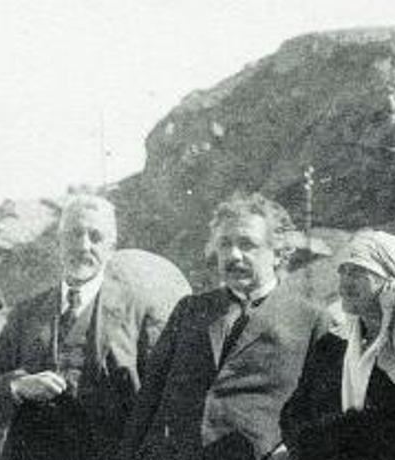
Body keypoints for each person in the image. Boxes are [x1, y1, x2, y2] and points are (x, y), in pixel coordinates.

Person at [120, 192, 328, 460]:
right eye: (224, 244)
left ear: (278, 253)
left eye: (247, 244)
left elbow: (321, 412)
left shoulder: (311, 320)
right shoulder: (189, 310)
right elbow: (149, 398)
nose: (233, 255)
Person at [0, 196, 172, 460]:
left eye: (95, 236)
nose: (83, 246)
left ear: (111, 247)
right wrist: (18, 386)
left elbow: (161, 405)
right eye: (74, 234)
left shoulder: (139, 311)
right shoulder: (26, 313)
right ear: (58, 242)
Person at [280, 230, 395, 460]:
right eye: (343, 271)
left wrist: (337, 436)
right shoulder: (331, 345)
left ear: (389, 279)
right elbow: (292, 416)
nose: (345, 281)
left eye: (357, 271)